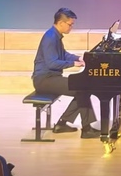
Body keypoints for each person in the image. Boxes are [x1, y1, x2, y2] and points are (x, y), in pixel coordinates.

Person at [32, 8, 100, 139]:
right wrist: (73, 63)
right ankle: (85, 129)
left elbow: (63, 54)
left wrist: (79, 58)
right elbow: (52, 63)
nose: (71, 27)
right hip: (44, 80)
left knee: (83, 89)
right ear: (61, 23)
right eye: (70, 24)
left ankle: (63, 124)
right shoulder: (50, 38)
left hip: (51, 78)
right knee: (82, 89)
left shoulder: (55, 36)